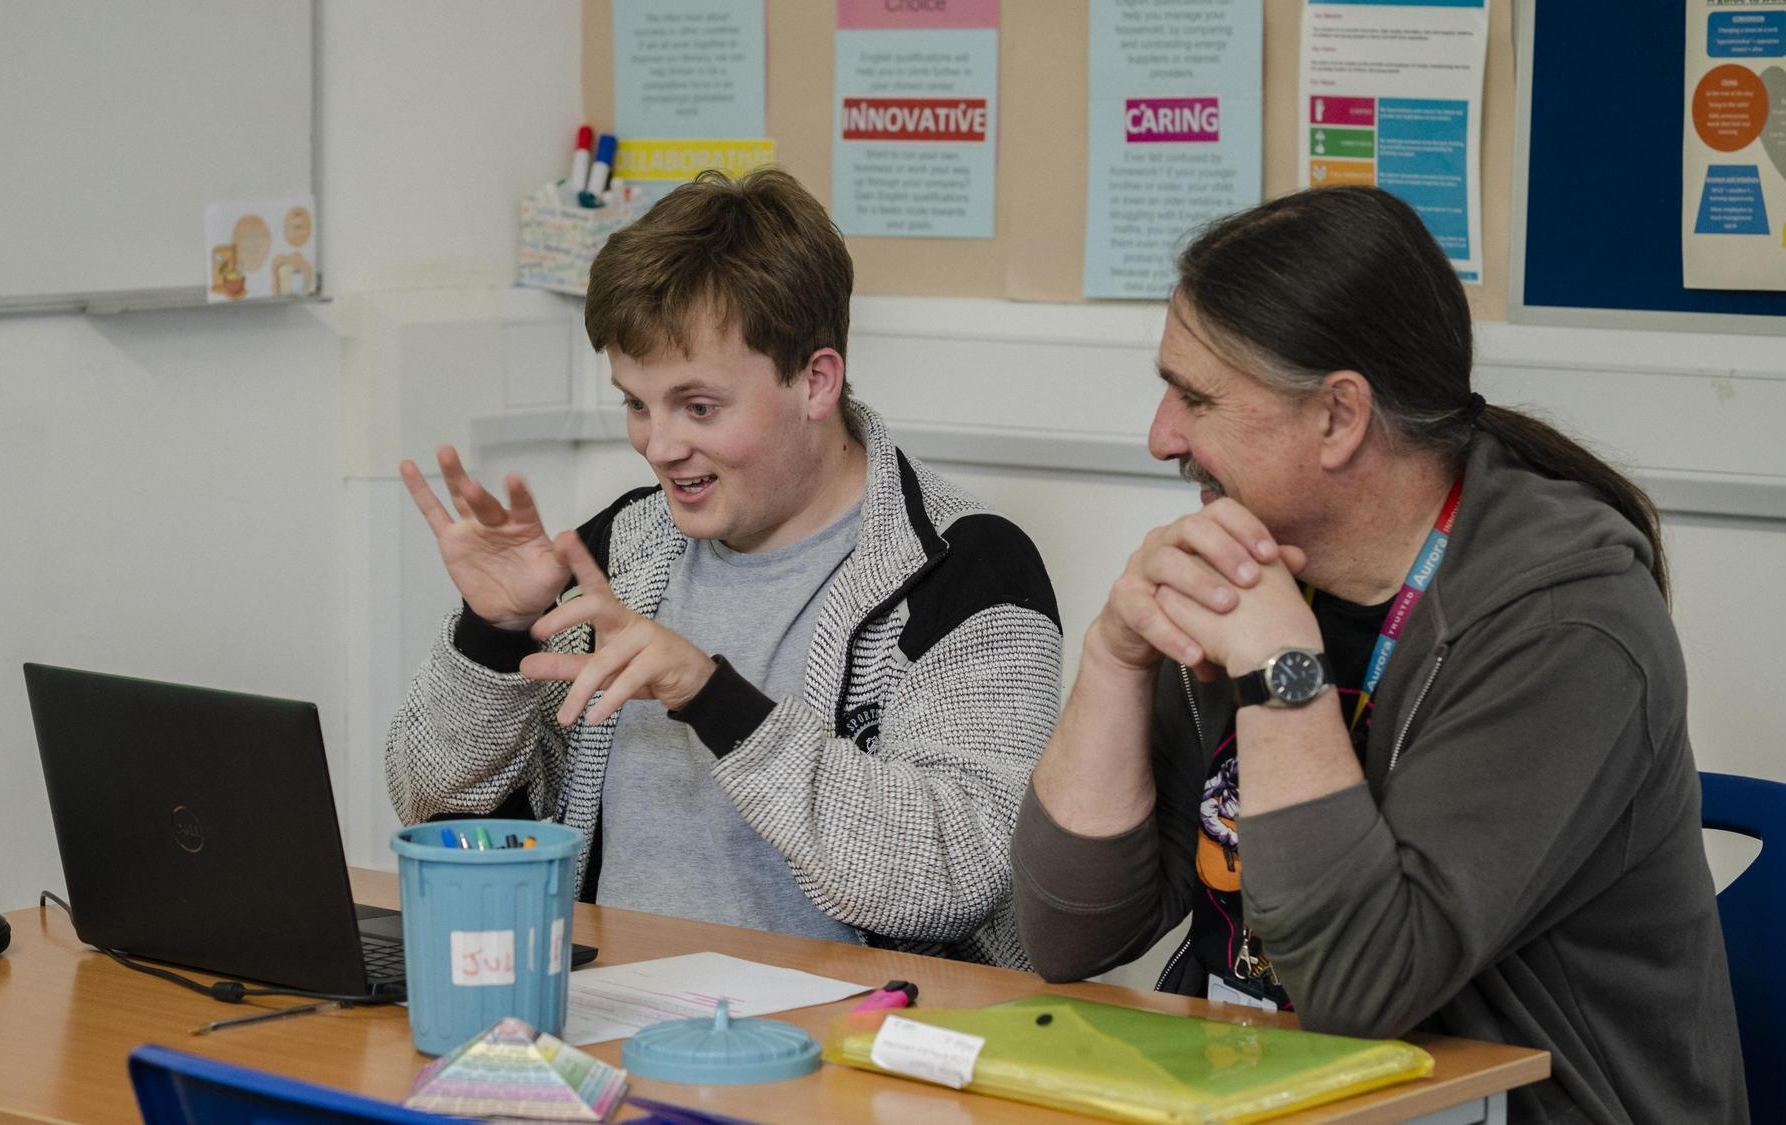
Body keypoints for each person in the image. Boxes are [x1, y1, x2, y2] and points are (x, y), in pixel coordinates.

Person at [1011, 186, 1746, 1122]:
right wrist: (1115, 658)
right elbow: (1069, 932)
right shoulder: (1257, 569)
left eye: (1196, 397)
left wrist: (1286, 682)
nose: (1162, 436)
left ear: (1339, 417)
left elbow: (1359, 990)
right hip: (1259, 1093)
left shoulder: (1569, 623)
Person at [387, 168, 1062, 967]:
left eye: (698, 407)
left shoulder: (972, 572)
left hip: (861, 1058)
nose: (659, 446)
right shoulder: (616, 552)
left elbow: (951, 875)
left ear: (816, 382)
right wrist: (491, 634)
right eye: (637, 404)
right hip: (615, 1021)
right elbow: (433, 802)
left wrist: (710, 695)